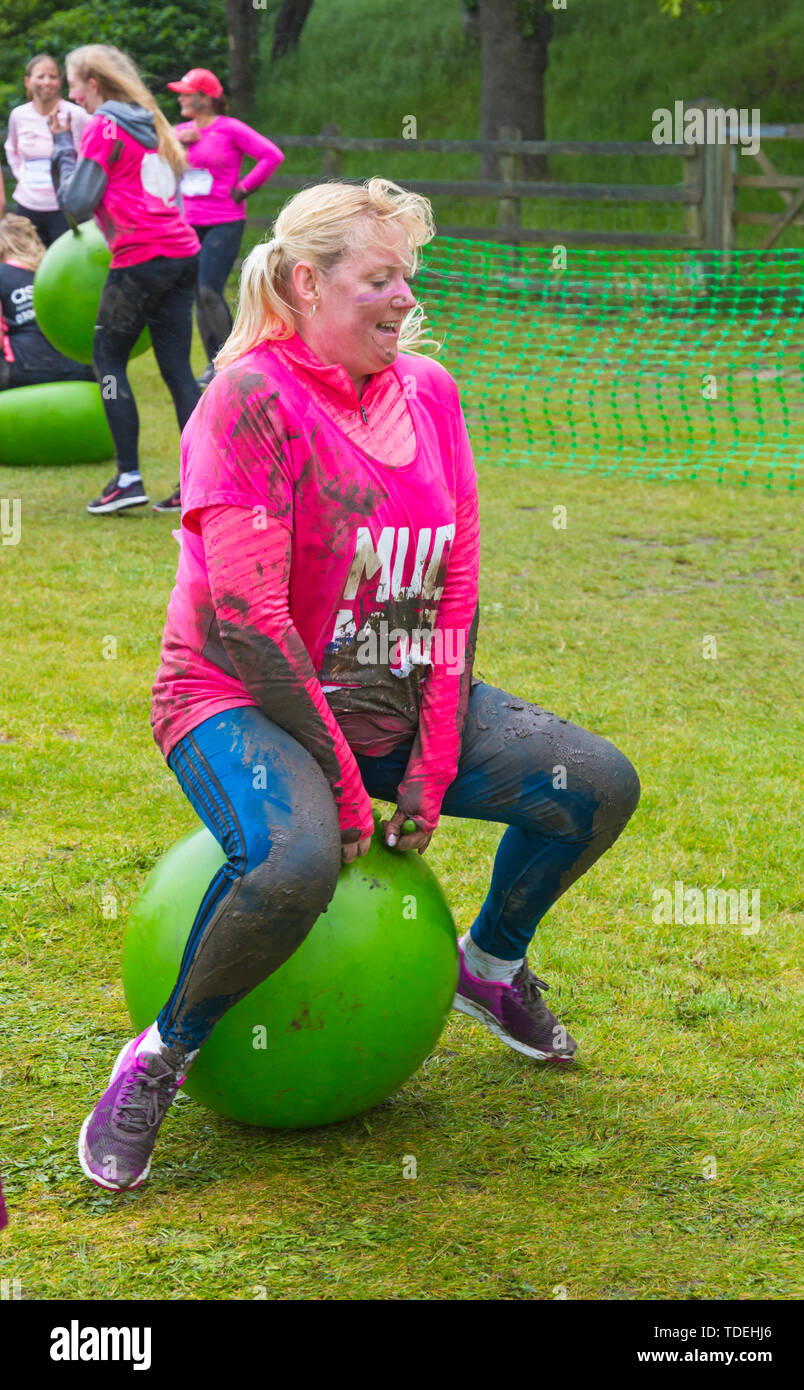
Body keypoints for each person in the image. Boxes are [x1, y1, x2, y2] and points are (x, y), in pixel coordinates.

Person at [76, 178, 641, 1193]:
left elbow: (455, 574)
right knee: (297, 864)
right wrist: (344, 783)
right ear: (307, 281)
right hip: (237, 696)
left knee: (595, 784)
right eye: (379, 278)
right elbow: (247, 621)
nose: (402, 300)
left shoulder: (428, 391)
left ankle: (492, 964)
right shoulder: (249, 399)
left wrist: (427, 757)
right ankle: (162, 1054)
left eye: (406, 280)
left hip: (385, 694)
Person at [49, 44, 201, 515]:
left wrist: (60, 148)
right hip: (182, 251)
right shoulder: (147, 120)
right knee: (177, 371)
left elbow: (76, 203)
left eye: (73, 83)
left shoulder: (103, 126)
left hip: (141, 256)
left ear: (93, 84)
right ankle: (199, 483)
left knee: (108, 359)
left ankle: (129, 477)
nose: (71, 94)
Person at [168, 68, 283, 392]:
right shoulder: (181, 131)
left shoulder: (229, 128)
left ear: (206, 98)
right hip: (188, 222)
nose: (181, 98)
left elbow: (271, 155)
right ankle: (213, 364)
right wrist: (176, 141)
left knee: (208, 290)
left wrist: (245, 187)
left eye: (187, 93)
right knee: (196, 295)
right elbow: (154, 156)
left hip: (224, 220)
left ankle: (233, 361)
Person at [0, 212, 95, 389]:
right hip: (82, 370)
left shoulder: (2, 274)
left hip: (23, 370)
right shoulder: (60, 270)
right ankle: (113, 405)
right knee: (112, 372)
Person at [4, 54, 90, 247]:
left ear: (61, 82)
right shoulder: (18, 115)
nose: (47, 82)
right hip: (28, 204)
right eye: (41, 76)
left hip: (66, 207)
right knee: (29, 262)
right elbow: (12, 149)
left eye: (52, 77)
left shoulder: (76, 115)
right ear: (28, 82)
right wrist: (21, 176)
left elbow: (91, 151)